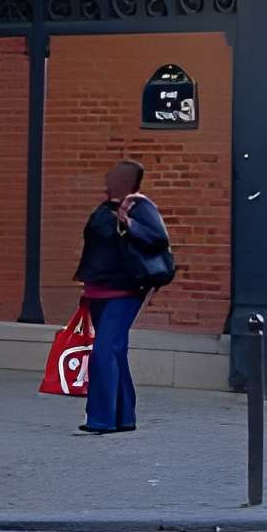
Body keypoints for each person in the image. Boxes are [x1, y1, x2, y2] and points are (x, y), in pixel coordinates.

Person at [71, 158, 173, 437]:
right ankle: (124, 416)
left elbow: (158, 239)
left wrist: (129, 223)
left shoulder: (139, 206)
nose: (108, 181)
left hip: (125, 291)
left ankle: (101, 419)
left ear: (129, 181)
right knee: (114, 350)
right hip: (98, 290)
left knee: (104, 351)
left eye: (114, 177)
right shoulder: (104, 209)